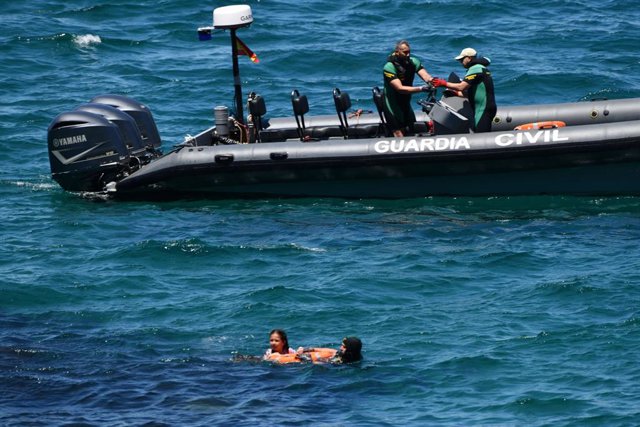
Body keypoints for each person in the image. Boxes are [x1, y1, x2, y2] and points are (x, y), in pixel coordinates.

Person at [432, 47, 497, 133]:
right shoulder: (481, 68)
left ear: (469, 58)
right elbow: (475, 92)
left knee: (481, 135)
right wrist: (456, 94)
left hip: (483, 109)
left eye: (462, 59)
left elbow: (461, 87)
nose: (460, 62)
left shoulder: (475, 68)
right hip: (486, 107)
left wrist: (443, 83)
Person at [383, 40, 434, 137]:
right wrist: (421, 88)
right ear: (397, 52)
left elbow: (425, 76)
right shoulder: (389, 67)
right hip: (392, 102)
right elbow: (400, 88)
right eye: (405, 52)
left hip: (406, 101)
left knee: (410, 128)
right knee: (398, 132)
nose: (408, 55)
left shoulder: (413, 62)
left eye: (409, 52)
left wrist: (433, 82)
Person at [297, 336, 363, 364]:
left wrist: (306, 358)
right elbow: (331, 350)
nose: (340, 348)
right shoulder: (352, 353)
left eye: (343, 346)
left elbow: (319, 364)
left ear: (350, 349)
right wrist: (309, 349)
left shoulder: (340, 361)